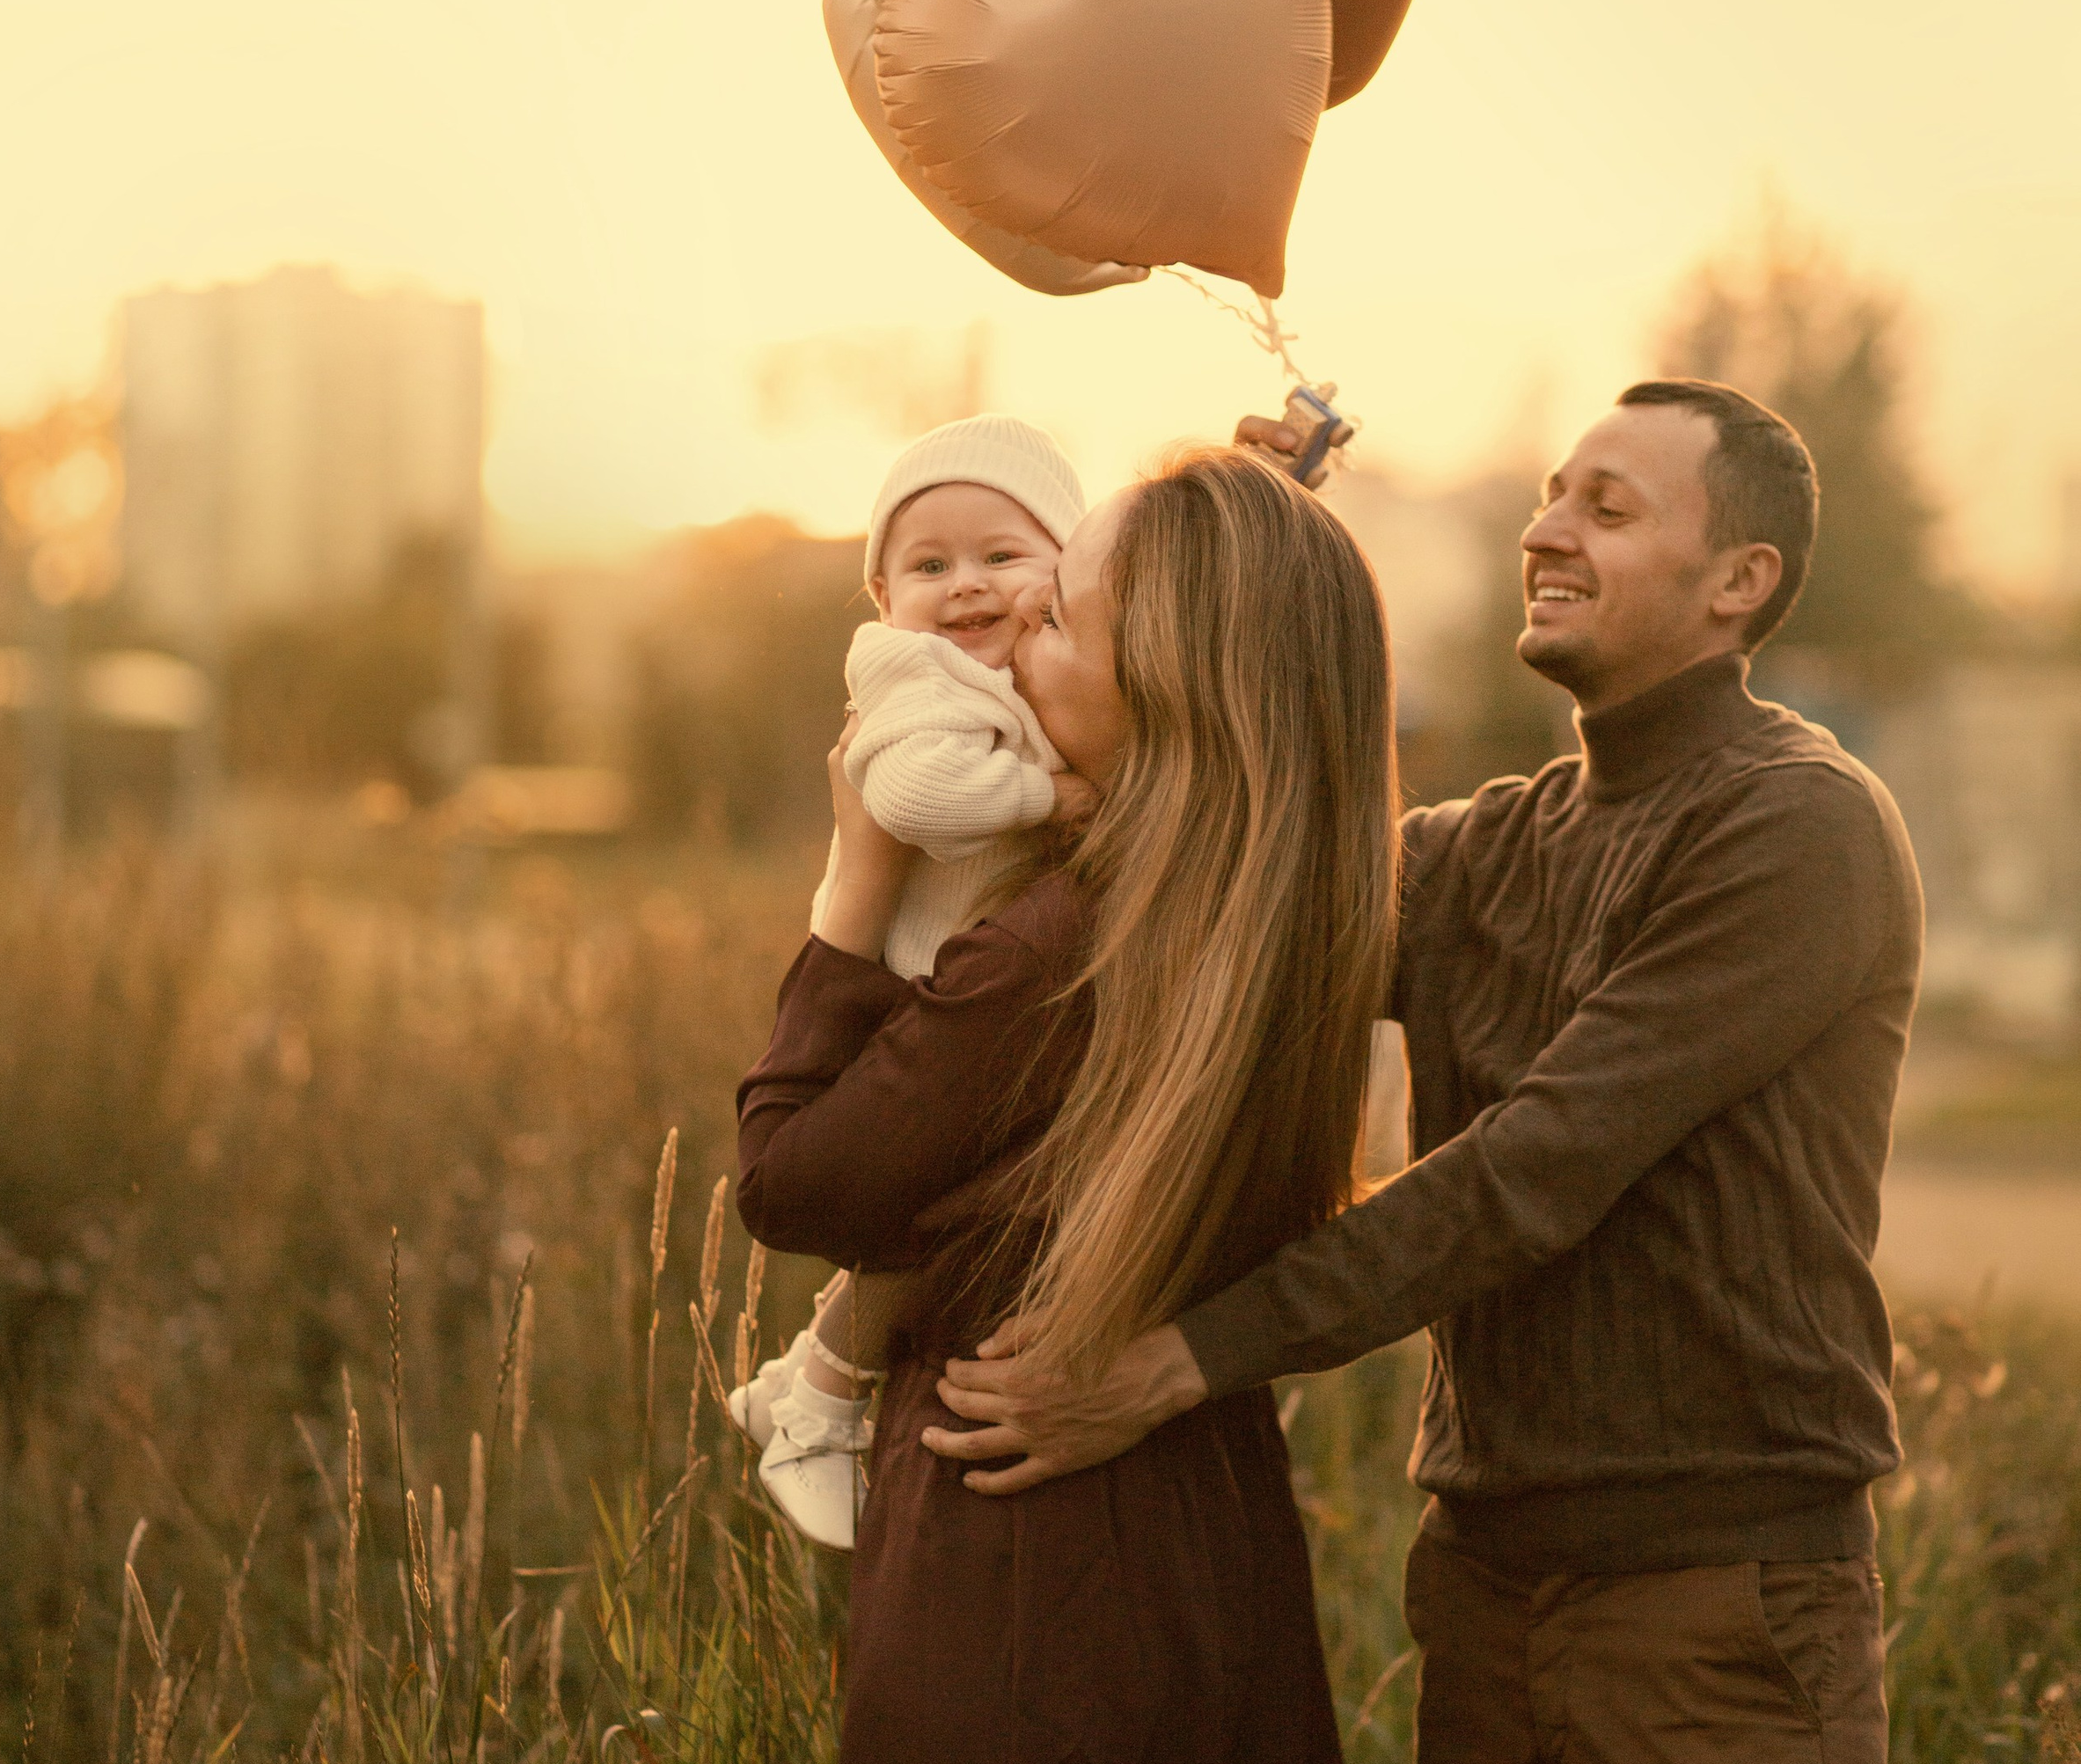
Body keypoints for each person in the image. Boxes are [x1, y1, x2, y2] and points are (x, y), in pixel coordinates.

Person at [927, 380, 1924, 1764]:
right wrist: (1225, 546)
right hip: (1482, 1587)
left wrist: (1173, 1365)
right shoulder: (1480, 851)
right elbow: (1258, 868)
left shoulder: (1797, 826)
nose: (1548, 530)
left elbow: (1530, 1176)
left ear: (1738, 583)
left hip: (1713, 1608)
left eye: (1609, 507)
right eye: (1551, 496)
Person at [736, 446, 1399, 1762]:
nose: (1011, 637)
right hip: (1211, 1528)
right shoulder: (1301, 906)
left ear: (1157, 676)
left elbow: (791, 1185)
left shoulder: (1055, 950)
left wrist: (855, 881)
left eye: (1051, 616)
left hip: (1025, 1569)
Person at [728, 414, 1093, 1547]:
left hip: (968, 974)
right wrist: (1058, 800)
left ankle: (805, 1385)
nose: (966, 586)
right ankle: (819, 1401)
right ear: (883, 599)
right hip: (903, 983)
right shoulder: (911, 675)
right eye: (928, 567)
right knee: (925, 1215)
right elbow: (922, 800)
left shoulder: (1030, 677)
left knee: (942, 1222)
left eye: (1002, 556)